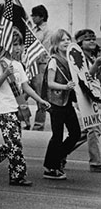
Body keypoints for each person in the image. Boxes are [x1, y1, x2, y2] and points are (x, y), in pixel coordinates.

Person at [0, 29, 50, 186]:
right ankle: (17, 176)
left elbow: (26, 87)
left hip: (17, 109)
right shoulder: (1, 64)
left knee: (13, 143)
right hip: (5, 110)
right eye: (14, 44)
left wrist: (40, 100)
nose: (18, 48)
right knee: (16, 144)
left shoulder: (19, 65)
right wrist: (5, 74)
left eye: (20, 45)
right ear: (6, 46)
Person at [41, 29, 82, 180]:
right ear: (56, 44)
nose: (66, 42)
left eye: (68, 39)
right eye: (62, 40)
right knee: (57, 136)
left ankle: (55, 160)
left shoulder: (70, 60)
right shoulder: (54, 61)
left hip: (67, 102)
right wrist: (65, 87)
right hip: (56, 102)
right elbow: (50, 83)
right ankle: (51, 168)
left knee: (76, 133)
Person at [71, 29, 101, 173]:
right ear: (80, 43)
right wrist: (97, 65)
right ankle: (96, 163)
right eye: (88, 39)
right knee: (93, 127)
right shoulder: (77, 58)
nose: (92, 41)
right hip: (83, 97)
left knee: (87, 130)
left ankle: (60, 153)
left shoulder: (94, 56)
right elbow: (85, 78)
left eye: (93, 39)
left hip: (94, 96)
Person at [30, 5, 52, 131]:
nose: (33, 18)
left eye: (35, 15)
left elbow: (44, 50)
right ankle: (24, 120)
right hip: (30, 65)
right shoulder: (33, 29)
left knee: (40, 95)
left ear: (41, 17)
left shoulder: (47, 31)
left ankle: (39, 124)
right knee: (23, 93)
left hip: (40, 66)